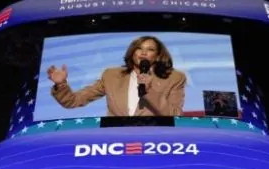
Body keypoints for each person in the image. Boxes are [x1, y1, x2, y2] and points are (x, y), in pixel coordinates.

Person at [47, 35, 186, 116]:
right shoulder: (111, 76)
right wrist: (61, 84)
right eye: (139, 48)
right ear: (133, 52)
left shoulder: (174, 78)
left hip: (155, 140)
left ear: (157, 56)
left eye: (150, 49)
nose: (143, 53)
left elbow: (174, 115)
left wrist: (150, 91)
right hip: (115, 139)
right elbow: (73, 101)